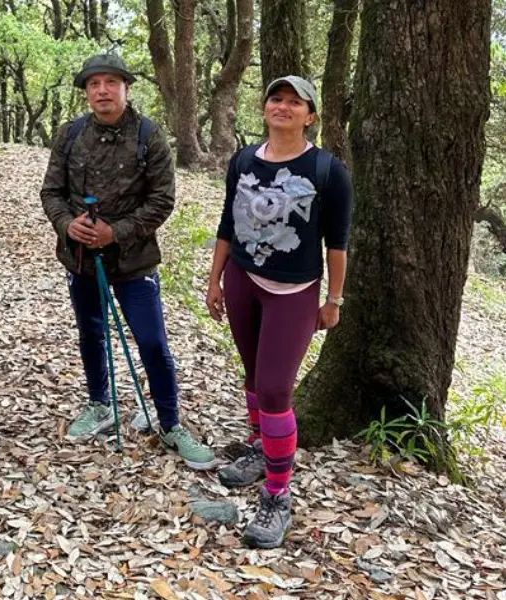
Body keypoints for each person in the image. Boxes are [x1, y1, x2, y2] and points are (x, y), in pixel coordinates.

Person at [40, 53, 216, 471]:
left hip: (135, 263)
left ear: (126, 88)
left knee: (153, 341)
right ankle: (100, 404)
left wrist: (115, 231)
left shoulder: (149, 136)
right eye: (94, 84)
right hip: (80, 259)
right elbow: (51, 192)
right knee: (91, 334)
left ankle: (171, 423)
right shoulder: (69, 135)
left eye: (110, 83)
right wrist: (68, 225)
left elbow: (162, 200)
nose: (102, 90)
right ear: (86, 92)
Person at [206, 75, 353, 548]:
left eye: (296, 102)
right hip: (243, 280)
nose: (283, 107)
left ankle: (277, 493)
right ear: (265, 107)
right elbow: (228, 223)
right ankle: (258, 448)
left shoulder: (327, 170)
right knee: (253, 375)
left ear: (310, 116)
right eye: (276, 98)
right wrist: (215, 279)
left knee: (274, 389)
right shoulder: (244, 160)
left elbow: (338, 243)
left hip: (295, 291)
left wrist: (334, 300)